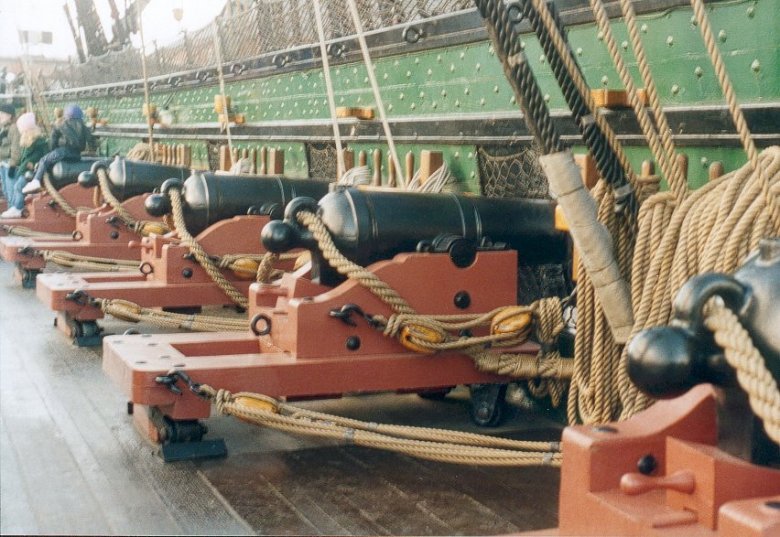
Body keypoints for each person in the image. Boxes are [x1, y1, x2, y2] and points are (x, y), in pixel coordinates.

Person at [23, 103, 93, 194]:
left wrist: (53, 150)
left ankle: (36, 181)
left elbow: (53, 140)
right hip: (76, 154)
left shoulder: (61, 125)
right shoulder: (84, 127)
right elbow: (91, 141)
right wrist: (92, 150)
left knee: (44, 160)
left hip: (63, 151)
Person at [1, 113, 48, 218]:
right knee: (17, 186)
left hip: (32, 171)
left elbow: (45, 156)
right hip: (25, 170)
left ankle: (18, 208)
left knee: (18, 186)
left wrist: (35, 164)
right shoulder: (27, 143)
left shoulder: (39, 142)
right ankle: (16, 207)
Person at [0, 103, 20, 205]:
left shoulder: (14, 128)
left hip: (9, 164)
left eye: (2, 114)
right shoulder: (3, 129)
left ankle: (13, 209)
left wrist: (13, 165)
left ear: (10, 116)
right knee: (5, 190)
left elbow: (15, 147)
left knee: (11, 189)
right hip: (2, 163)